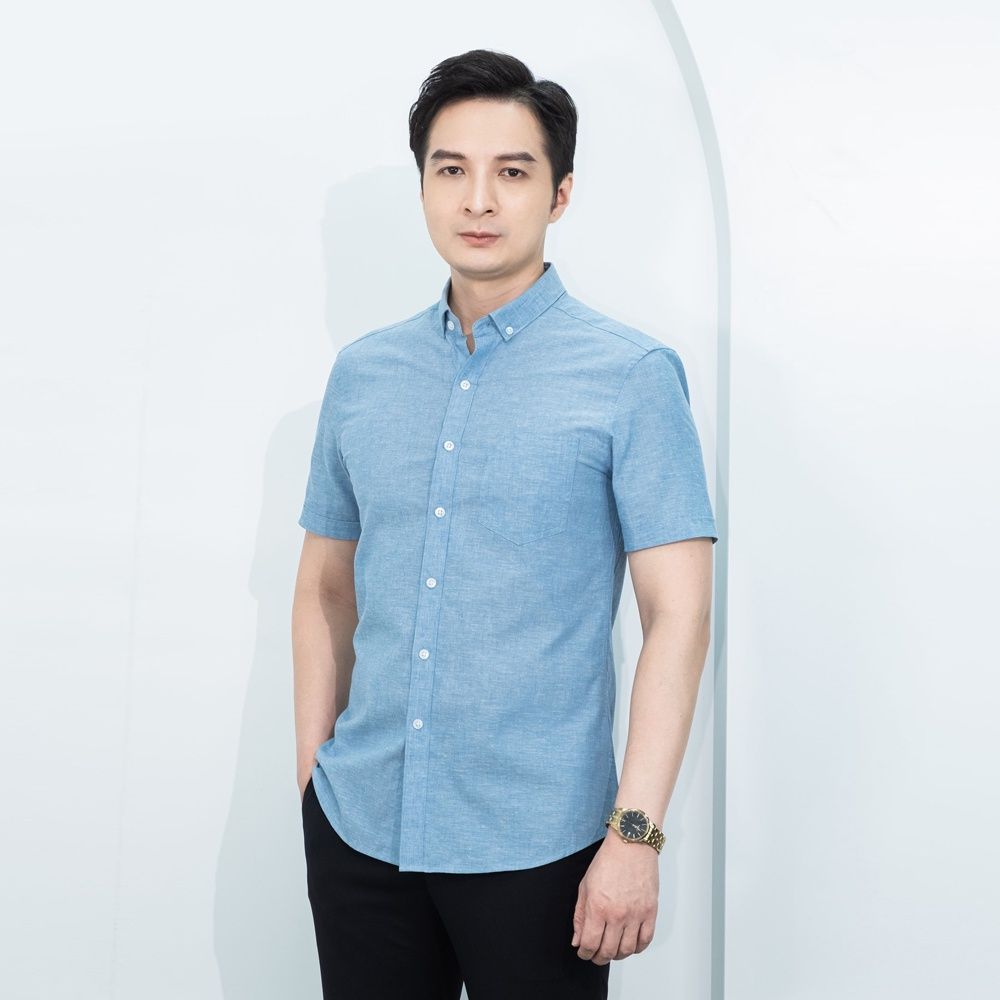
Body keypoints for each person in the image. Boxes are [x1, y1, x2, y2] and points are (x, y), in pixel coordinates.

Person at [291, 47, 719, 1000]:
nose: (478, 200)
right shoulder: (363, 375)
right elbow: (325, 588)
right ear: (423, 188)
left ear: (559, 194)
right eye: (452, 170)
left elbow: (679, 617)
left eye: (512, 172)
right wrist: (313, 777)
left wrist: (635, 836)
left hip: (541, 848)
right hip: (361, 830)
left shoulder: (631, 377)